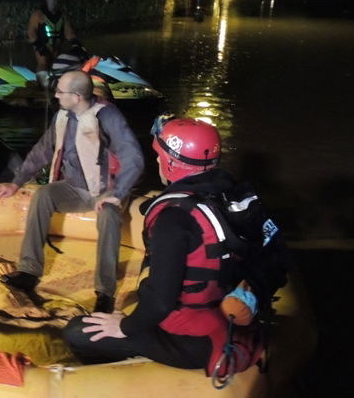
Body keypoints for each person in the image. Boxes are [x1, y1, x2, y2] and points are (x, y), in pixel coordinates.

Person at [62, 116, 258, 370]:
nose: (157, 160)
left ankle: (119, 376)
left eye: (160, 155)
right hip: (224, 318)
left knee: (78, 332)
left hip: (193, 341)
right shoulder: (227, 196)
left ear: (172, 162)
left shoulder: (173, 218)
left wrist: (123, 326)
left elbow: (161, 302)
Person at [0, 70, 144, 313]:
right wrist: (16, 182)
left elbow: (134, 157)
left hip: (108, 189)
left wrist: (116, 193)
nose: (55, 95)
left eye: (60, 91)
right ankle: (29, 271)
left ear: (76, 96)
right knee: (43, 195)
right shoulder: (63, 115)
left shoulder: (108, 116)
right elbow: (42, 150)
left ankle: (104, 292)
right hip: (75, 188)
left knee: (108, 216)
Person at [27, 0, 84, 73]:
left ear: (59, 0)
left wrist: (76, 44)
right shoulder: (38, 14)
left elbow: (69, 32)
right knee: (43, 64)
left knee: (55, 65)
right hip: (43, 45)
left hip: (56, 47)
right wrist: (38, 46)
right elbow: (31, 32)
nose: (52, 1)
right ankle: (40, 81)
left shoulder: (62, 16)